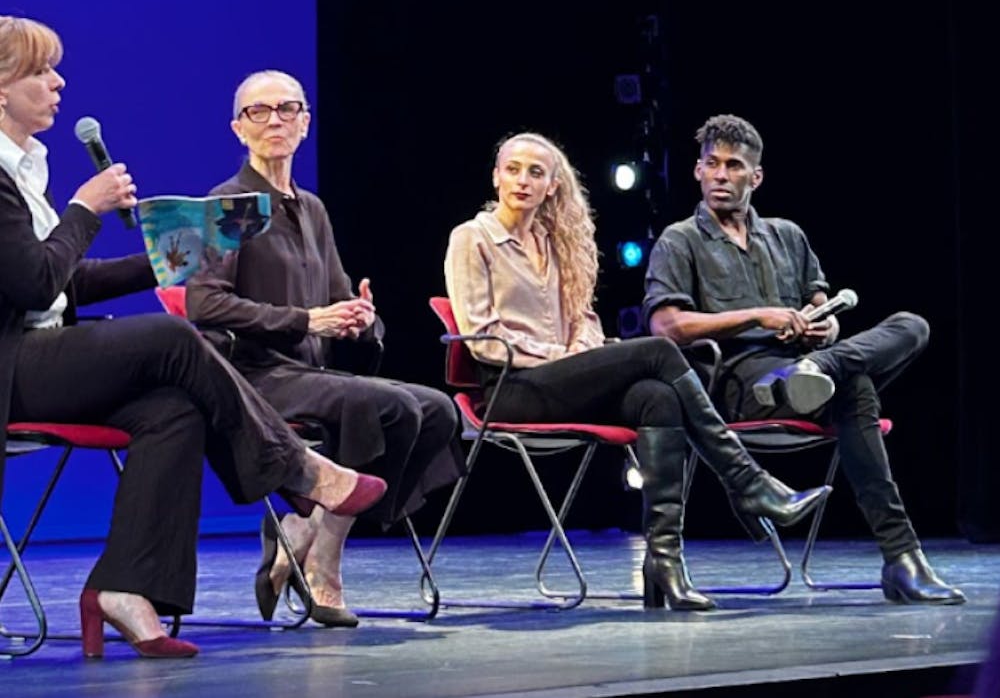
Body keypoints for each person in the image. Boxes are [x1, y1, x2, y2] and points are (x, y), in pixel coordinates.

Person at [0, 15, 387, 658]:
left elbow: (67, 282)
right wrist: (85, 211)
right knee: (174, 338)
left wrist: (173, 251)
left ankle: (126, 588)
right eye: (41, 72)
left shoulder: (25, 166)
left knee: (172, 409)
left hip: (41, 356)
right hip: (13, 365)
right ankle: (303, 472)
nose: (58, 82)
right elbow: (34, 285)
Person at [444, 131, 830, 611]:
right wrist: (562, 357)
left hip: (564, 379)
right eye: (513, 169)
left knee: (658, 396)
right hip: (509, 388)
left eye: (536, 172)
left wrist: (581, 350)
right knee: (659, 351)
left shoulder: (556, 242)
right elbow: (482, 338)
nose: (522, 181)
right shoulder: (472, 237)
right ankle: (747, 482)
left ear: (552, 188)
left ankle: (663, 562)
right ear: (496, 177)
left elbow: (584, 320)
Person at [643, 113, 964, 605]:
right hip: (740, 383)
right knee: (855, 388)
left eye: (733, 166)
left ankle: (820, 371)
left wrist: (826, 324)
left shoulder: (786, 235)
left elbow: (820, 302)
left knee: (911, 326)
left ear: (757, 176)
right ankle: (903, 557)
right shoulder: (679, 240)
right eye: (712, 165)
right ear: (698, 171)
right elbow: (666, 328)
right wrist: (761, 317)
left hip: (806, 370)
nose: (721, 176)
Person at [186, 70, 464, 627]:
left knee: (437, 409)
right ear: (238, 128)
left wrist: (362, 319)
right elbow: (203, 304)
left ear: (305, 122)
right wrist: (304, 319)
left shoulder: (312, 208)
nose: (274, 121)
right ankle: (324, 560)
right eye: (258, 112)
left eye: (286, 109)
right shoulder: (230, 204)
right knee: (382, 406)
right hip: (257, 376)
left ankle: (306, 525)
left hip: (313, 373)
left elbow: (341, 300)